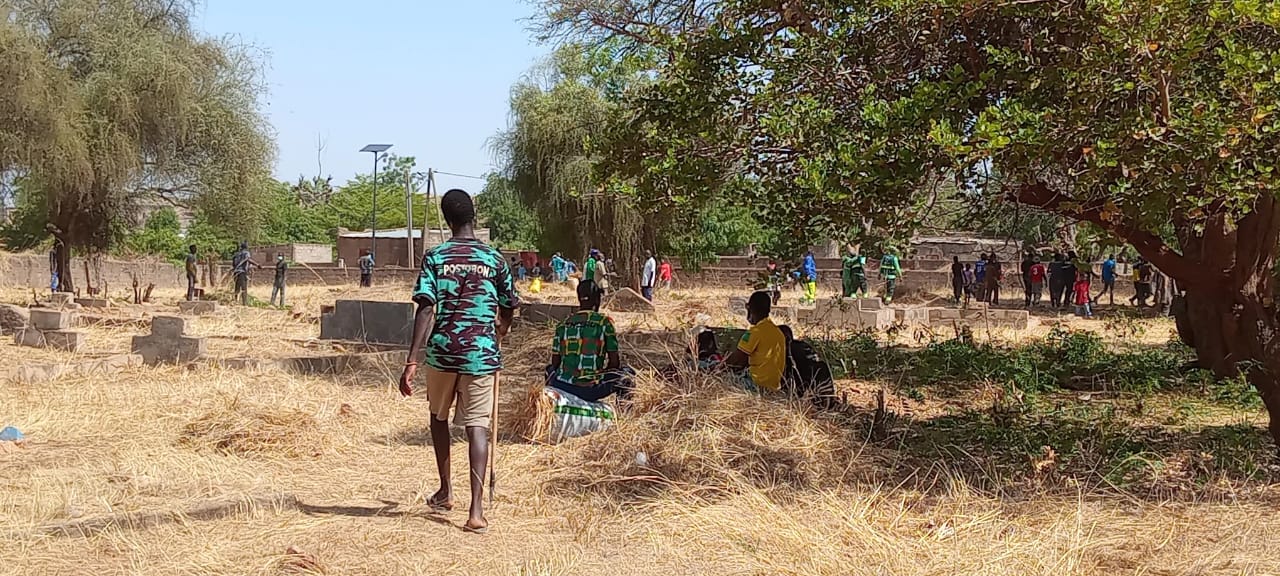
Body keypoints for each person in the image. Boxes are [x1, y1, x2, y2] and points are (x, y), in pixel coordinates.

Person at [398, 188, 518, 535]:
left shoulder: (436, 257)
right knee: (477, 426)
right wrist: (502, 327)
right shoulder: (494, 260)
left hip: (442, 353)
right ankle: (476, 511)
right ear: (473, 217)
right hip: (481, 354)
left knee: (439, 418)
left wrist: (412, 361)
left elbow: (425, 307)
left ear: (447, 220)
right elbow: (510, 303)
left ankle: (446, 490)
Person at [546, 279, 634, 402]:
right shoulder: (604, 323)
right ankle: (623, 416)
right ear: (597, 300)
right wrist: (599, 373)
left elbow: (555, 363)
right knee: (628, 374)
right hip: (590, 390)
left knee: (548, 370)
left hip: (562, 386)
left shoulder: (563, 324)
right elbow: (614, 363)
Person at [723, 291, 787, 392]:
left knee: (723, 382)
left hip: (756, 383)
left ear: (749, 309)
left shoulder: (755, 332)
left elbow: (737, 359)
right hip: (773, 386)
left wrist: (719, 367)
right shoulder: (778, 332)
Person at [777, 325, 838, 410]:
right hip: (824, 388)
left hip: (809, 391)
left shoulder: (788, 351)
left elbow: (789, 375)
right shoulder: (803, 345)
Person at [231, 242, 259, 306]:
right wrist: (257, 265)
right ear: (246, 247)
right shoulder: (246, 253)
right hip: (242, 272)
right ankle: (244, 303)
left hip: (236, 272)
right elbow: (248, 259)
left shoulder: (236, 254)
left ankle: (235, 301)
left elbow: (233, 263)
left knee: (237, 287)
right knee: (244, 288)